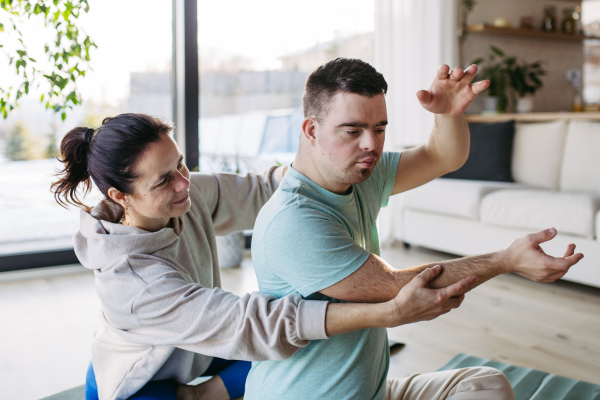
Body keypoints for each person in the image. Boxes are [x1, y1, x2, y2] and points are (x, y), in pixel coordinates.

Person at [51, 113, 461, 400]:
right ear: (120, 196)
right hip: (144, 379)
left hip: (203, 355)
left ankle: (212, 394)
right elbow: (252, 323)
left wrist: (325, 152)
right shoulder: (133, 282)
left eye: (181, 165)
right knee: (283, 330)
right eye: (164, 180)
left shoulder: (184, 196)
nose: (182, 184)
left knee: (306, 340)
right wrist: (387, 312)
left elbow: (265, 189)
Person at [245, 58, 584, 400]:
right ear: (311, 130)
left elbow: (441, 156)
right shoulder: (294, 220)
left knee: (486, 386)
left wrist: (448, 113)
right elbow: (397, 288)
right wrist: (506, 260)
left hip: (375, 393)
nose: (371, 145)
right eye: (353, 131)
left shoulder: (360, 174)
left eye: (379, 128)